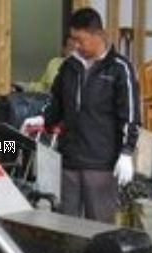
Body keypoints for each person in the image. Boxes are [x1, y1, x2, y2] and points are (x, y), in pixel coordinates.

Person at [22, 7, 140, 223]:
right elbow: (56, 101)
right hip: (69, 161)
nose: (76, 45)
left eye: (80, 40)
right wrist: (42, 118)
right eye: (73, 40)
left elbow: (130, 115)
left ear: (98, 35)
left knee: (100, 225)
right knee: (66, 223)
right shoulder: (69, 66)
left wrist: (127, 152)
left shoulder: (119, 68)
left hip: (101, 164)